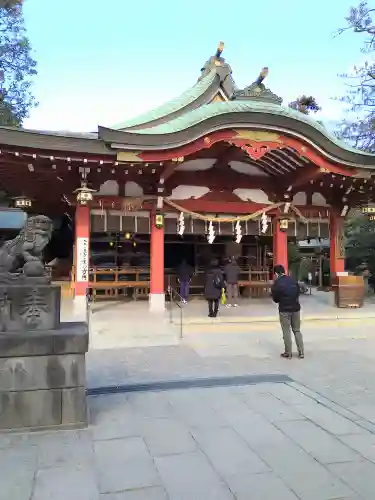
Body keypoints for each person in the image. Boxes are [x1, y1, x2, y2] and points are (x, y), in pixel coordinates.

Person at [271, 264, 304, 359]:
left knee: (286, 331)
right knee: (297, 330)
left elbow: (275, 299)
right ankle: (301, 352)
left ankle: (288, 353)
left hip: (284, 310)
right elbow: (298, 292)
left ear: (276, 274)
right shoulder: (293, 280)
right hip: (296, 308)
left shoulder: (277, 283)